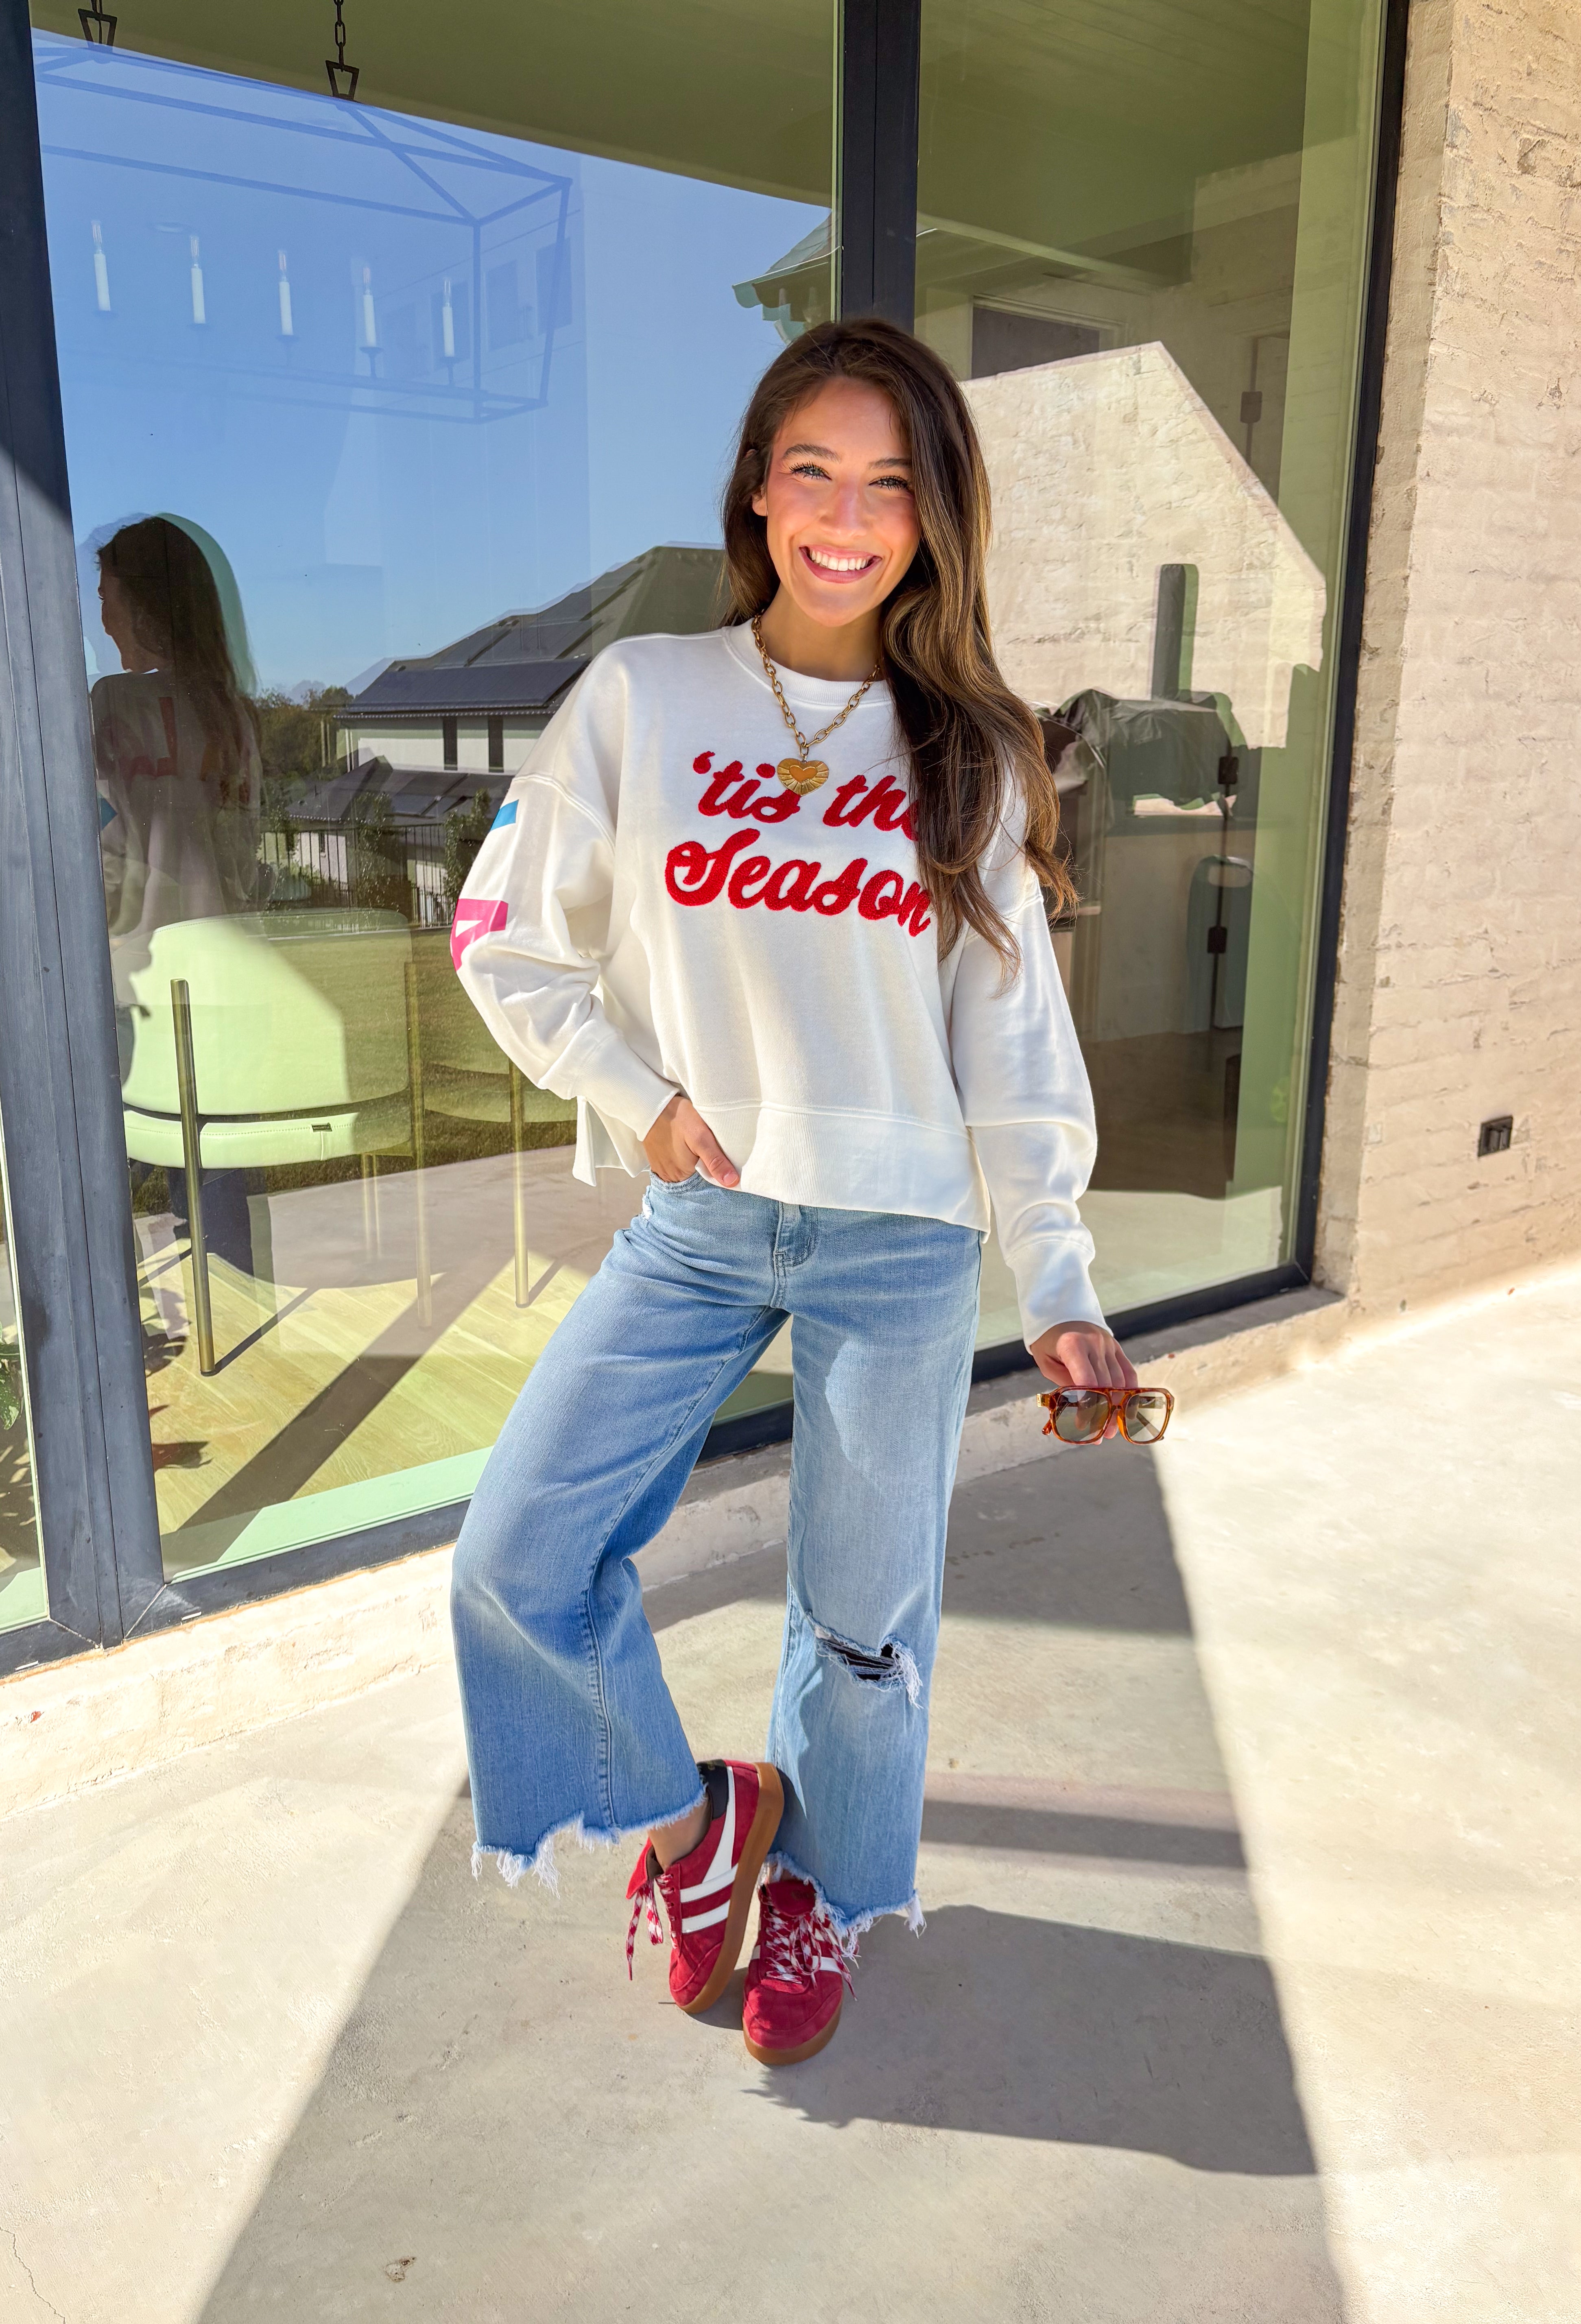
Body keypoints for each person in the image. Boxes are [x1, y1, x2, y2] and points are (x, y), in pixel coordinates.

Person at [448, 317, 1137, 2066]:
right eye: (810, 471)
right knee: (516, 1558)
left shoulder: (966, 742)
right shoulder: (643, 697)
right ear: (756, 491)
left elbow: (1011, 1030)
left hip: (898, 1241)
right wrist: (638, 1100)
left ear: (930, 519)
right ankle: (696, 1829)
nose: (844, 515)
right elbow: (502, 941)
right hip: (702, 1217)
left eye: (888, 484)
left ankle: (822, 1887)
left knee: (859, 1628)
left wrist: (1052, 1278)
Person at [94, 515, 266, 1283]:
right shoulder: (232, 712)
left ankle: (112, 1343)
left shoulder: (106, 707)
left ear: (135, 606)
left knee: (107, 1165)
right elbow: (248, 849)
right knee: (216, 1162)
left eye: (105, 591)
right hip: (226, 974)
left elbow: (99, 852)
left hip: (131, 972)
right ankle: (235, 1319)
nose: (97, 608)